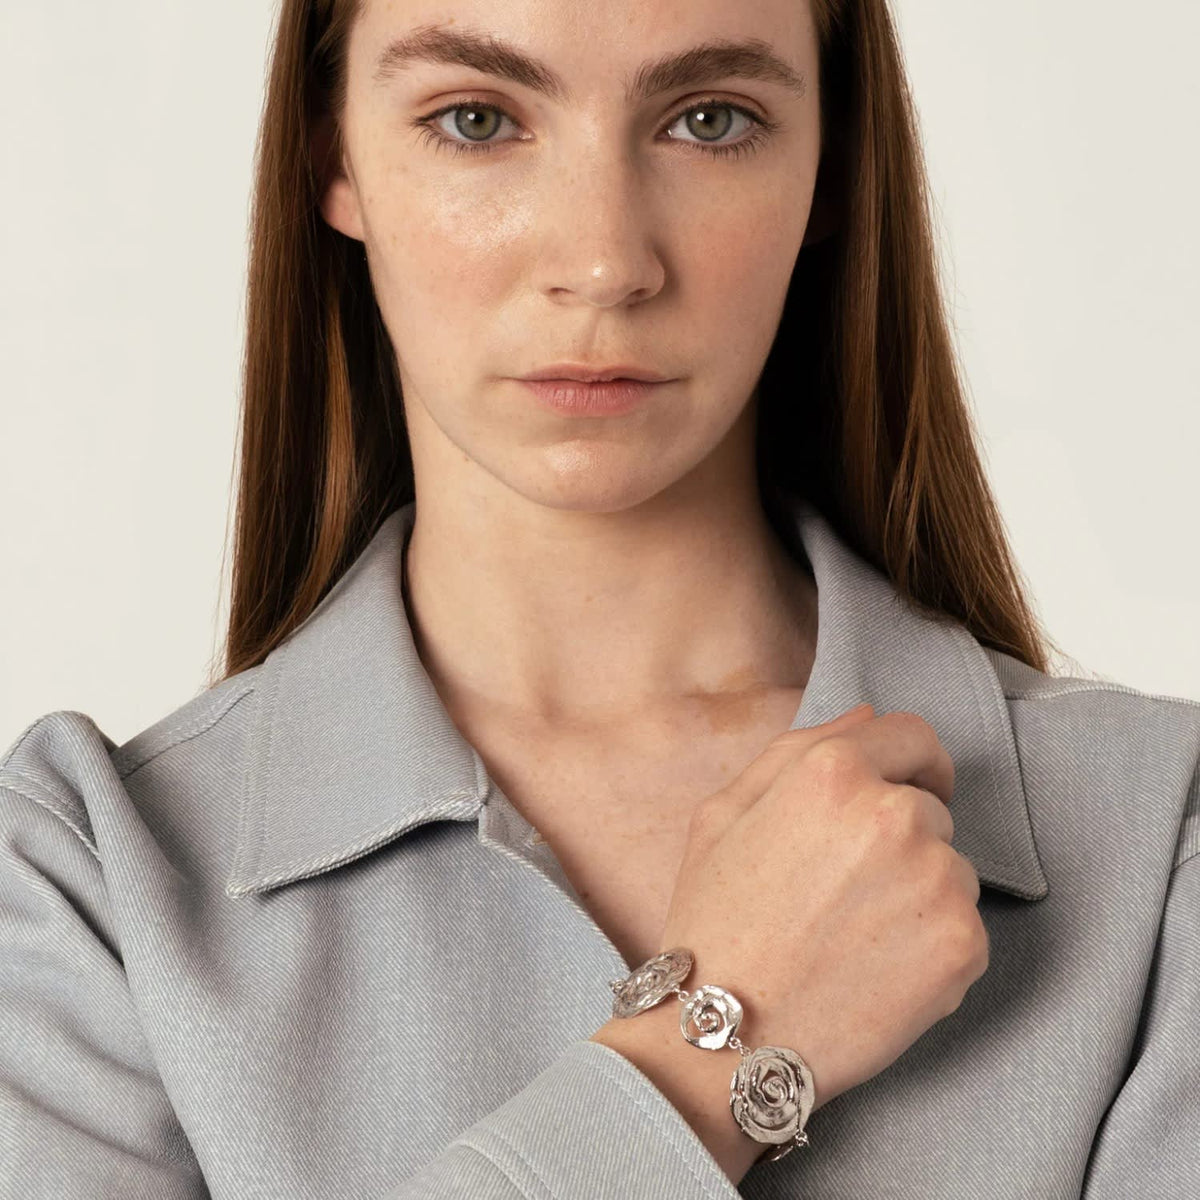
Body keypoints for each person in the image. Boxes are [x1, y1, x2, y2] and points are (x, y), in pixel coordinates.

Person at [2, 0, 1197, 1195]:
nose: (605, 262)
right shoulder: (85, 891)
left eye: (710, 120)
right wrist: (717, 1045)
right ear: (336, 157)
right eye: (477, 120)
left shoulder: (1161, 856)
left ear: (832, 165)